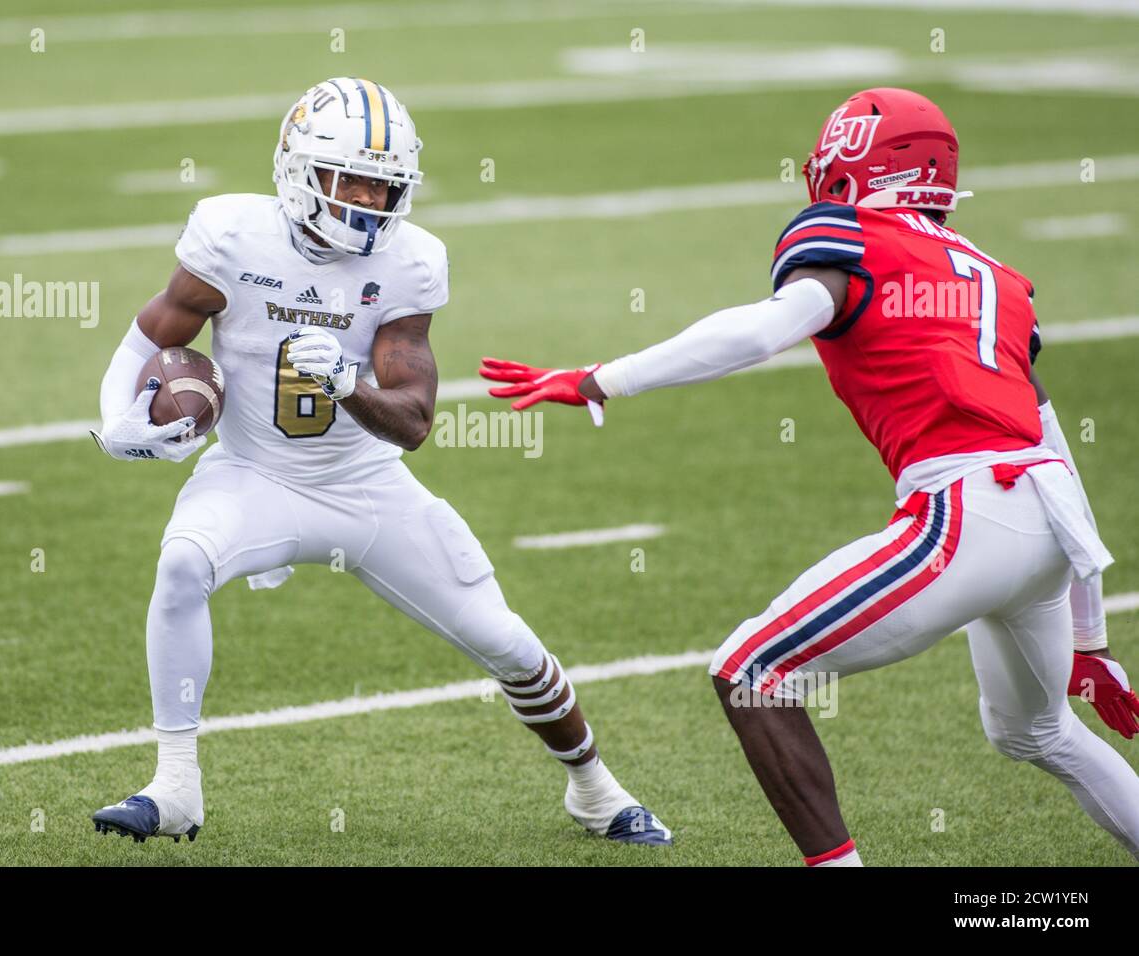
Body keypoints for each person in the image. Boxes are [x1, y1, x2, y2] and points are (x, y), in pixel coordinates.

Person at [481, 87, 1139, 865]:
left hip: (969, 510)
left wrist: (603, 377)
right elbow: (1052, 440)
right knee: (1036, 731)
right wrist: (1088, 635)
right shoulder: (997, 275)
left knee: (751, 671)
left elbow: (763, 332)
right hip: (1046, 526)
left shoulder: (852, 235)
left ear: (859, 161)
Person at [88, 77, 670, 846]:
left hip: (364, 487)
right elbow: (150, 335)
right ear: (298, 171)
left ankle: (595, 791)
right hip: (254, 474)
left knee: (506, 642)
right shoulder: (231, 236)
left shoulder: (409, 263)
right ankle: (174, 789)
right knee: (182, 564)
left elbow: (415, 422)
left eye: (385, 184)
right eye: (352, 179)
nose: (368, 200)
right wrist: (118, 421)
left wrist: (348, 384)